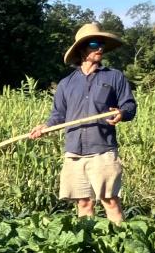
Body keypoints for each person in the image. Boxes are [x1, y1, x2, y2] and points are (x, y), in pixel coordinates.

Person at [28, 21, 137, 223]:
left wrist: (121, 113)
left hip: (102, 149)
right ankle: (87, 239)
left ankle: (122, 240)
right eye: (94, 44)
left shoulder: (114, 77)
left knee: (110, 201)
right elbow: (58, 115)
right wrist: (45, 127)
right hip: (74, 151)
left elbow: (129, 106)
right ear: (81, 50)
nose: (100, 48)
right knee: (84, 203)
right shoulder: (66, 84)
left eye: (101, 44)